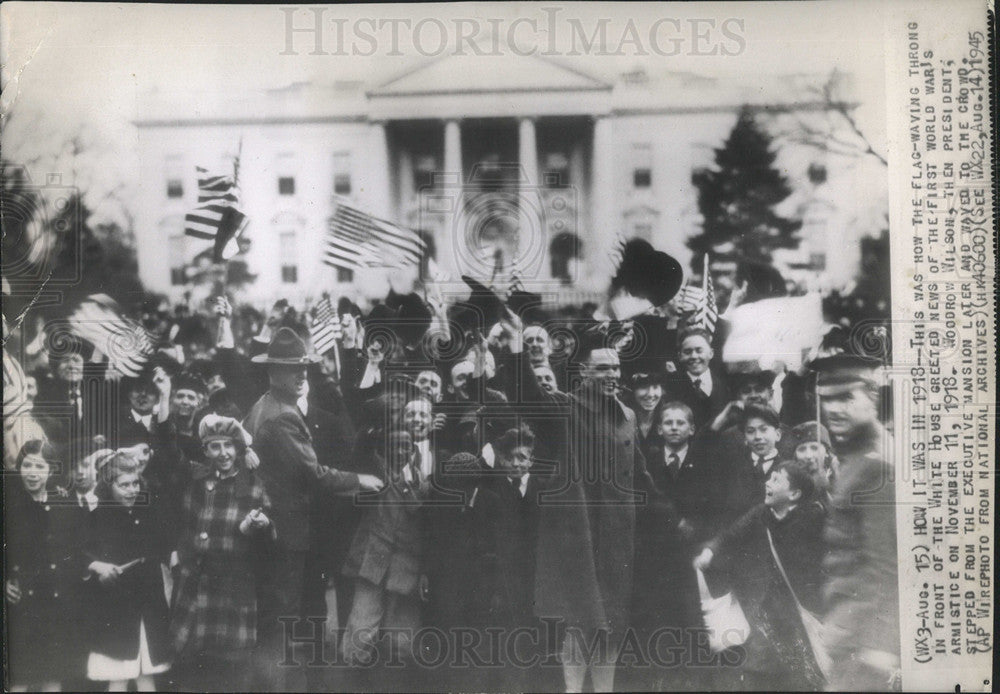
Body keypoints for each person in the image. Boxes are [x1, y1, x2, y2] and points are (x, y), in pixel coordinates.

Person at [242, 327, 383, 689]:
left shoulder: (263, 405)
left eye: (304, 366)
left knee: (279, 617)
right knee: (285, 619)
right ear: (273, 371)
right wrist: (359, 480)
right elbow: (315, 474)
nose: (302, 373)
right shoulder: (281, 415)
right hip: (287, 532)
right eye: (293, 368)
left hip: (273, 527)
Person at [530, 341, 657, 693]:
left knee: (613, 621)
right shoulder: (566, 407)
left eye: (616, 368)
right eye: (602, 368)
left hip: (619, 538)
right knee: (580, 619)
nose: (612, 375)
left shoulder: (628, 415)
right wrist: (515, 345)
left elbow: (641, 474)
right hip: (580, 534)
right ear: (583, 373)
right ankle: (572, 690)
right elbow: (530, 395)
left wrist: (675, 517)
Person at [694, 462, 826, 690]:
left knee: (806, 672)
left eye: (776, 480)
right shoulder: (762, 513)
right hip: (770, 606)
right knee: (762, 668)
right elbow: (730, 536)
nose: (768, 482)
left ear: (794, 494)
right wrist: (710, 551)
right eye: (770, 477)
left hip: (803, 607)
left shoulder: (812, 518)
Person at [169, 415, 274, 691]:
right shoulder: (195, 478)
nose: (223, 453)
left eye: (229, 446)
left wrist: (263, 526)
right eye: (215, 447)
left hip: (232, 590)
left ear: (239, 448)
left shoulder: (254, 485)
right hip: (195, 587)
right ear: (205, 450)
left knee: (232, 671)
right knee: (191, 668)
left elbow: (272, 541)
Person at [812, 354, 899, 690]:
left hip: (862, 647)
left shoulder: (878, 465)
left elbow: (887, 567)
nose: (834, 409)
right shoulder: (856, 455)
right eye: (827, 399)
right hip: (846, 634)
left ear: (872, 396)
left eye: (846, 397)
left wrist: (879, 647)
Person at [340, 430, 430, 673]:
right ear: (385, 450)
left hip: (406, 564)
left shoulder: (423, 481)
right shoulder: (374, 476)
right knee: (361, 628)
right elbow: (362, 452)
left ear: (413, 450)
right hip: (372, 559)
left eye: (406, 446)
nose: (400, 451)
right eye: (394, 446)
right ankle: (352, 679)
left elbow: (423, 518)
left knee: (402, 641)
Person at [5, 440, 91, 691]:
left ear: (52, 470)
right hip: (23, 607)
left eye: (39, 466)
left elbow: (78, 547)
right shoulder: (10, 503)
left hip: (58, 605)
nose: (32, 473)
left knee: (53, 677)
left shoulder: (65, 503)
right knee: (19, 680)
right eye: (27, 465)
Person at [85, 451, 172, 691]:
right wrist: (97, 565)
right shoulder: (97, 517)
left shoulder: (147, 512)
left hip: (148, 608)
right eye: (124, 485)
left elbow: (162, 545)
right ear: (108, 485)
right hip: (117, 610)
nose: (132, 490)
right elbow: (81, 553)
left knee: (146, 674)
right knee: (119, 675)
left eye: (135, 483)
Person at [666, 327, 729, 427]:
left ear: (711, 353)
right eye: (687, 352)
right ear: (680, 356)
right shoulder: (672, 386)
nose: (694, 356)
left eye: (699, 351)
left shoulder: (726, 385)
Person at [788, 420, 836, 499]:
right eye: (802, 449)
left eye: (814, 448)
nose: (808, 455)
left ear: (827, 452)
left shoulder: (841, 476)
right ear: (795, 455)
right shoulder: (789, 481)